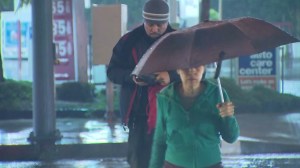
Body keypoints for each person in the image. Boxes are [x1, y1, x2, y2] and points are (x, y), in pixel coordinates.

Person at [106, 0, 179, 167]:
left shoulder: (176, 41)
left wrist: (170, 76)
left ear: (167, 21)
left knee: (169, 159)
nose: (154, 29)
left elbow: (191, 72)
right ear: (143, 20)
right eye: (150, 24)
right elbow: (112, 71)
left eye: (159, 25)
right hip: (138, 112)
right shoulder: (129, 41)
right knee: (138, 159)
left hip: (171, 112)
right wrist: (132, 77)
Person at [149, 65, 240, 168]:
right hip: (174, 165)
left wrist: (228, 117)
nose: (192, 70)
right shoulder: (165, 97)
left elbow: (231, 137)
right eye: (186, 66)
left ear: (204, 68)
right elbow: (160, 141)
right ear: (178, 69)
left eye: (197, 65)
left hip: (211, 164)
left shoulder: (217, 94)